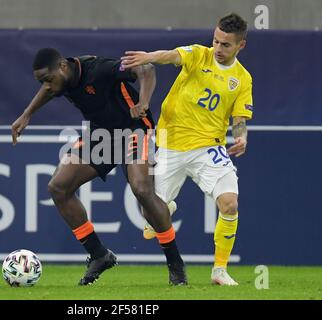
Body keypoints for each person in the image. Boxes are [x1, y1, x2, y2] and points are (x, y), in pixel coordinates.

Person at [11, 48, 187, 285]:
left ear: (63, 66)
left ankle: (175, 263)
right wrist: (26, 114)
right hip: (101, 135)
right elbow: (49, 90)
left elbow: (145, 69)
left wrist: (143, 102)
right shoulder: (61, 80)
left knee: (142, 191)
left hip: (133, 128)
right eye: (43, 82)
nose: (48, 86)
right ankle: (99, 254)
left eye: (49, 80)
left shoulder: (99, 69)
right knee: (58, 187)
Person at [120, 13, 253, 286]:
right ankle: (164, 207)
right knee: (150, 215)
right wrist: (148, 57)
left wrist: (241, 137)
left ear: (241, 45)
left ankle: (219, 270)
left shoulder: (242, 79)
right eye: (216, 41)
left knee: (229, 204)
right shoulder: (199, 54)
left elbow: (239, 119)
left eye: (226, 44)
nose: (217, 48)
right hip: (170, 144)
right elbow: (171, 56)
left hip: (209, 147)